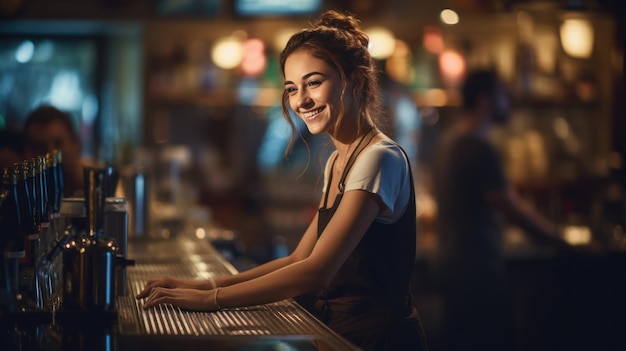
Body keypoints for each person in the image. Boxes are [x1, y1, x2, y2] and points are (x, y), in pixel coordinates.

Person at [137, 10, 429, 351]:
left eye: (314, 82)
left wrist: (211, 300)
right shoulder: (339, 159)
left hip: (379, 339)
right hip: (343, 333)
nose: (301, 100)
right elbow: (298, 260)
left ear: (357, 80)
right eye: (292, 88)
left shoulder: (379, 158)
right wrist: (202, 285)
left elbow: (315, 272)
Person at [431, 69, 571, 351]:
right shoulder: (477, 147)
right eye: (503, 95)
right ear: (485, 100)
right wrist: (559, 240)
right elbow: (511, 207)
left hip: (451, 264)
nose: (509, 101)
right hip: (477, 271)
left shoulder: (448, 141)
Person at [22, 105, 88, 197]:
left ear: (76, 143)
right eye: (41, 147)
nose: (51, 153)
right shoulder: (25, 196)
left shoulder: (99, 187)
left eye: (58, 143)